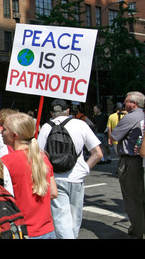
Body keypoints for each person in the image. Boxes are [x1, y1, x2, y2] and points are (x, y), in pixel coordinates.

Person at [37, 99, 102, 239]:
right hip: (77, 177)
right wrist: (85, 169)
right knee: (74, 218)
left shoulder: (46, 127)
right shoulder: (80, 125)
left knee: (61, 219)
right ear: (68, 111)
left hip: (56, 178)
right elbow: (98, 154)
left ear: (51, 113)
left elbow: (39, 156)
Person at [1, 112, 58, 239]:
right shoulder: (42, 157)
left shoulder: (6, 161)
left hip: (23, 230)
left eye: (4, 129)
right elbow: (53, 192)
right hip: (47, 230)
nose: (1, 132)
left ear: (14, 135)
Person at [110, 91, 145, 239]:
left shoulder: (131, 117)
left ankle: (137, 231)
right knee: (140, 197)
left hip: (131, 161)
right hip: (139, 160)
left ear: (134, 103)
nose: (124, 104)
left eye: (126, 101)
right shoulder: (142, 115)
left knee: (132, 199)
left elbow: (114, 136)